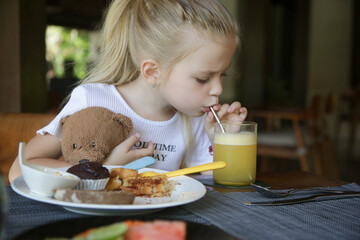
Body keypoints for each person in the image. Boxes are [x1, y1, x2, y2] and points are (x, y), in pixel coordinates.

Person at [9, 0, 247, 182]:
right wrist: (105, 170)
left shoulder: (193, 116)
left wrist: (221, 140)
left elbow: (208, 184)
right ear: (153, 72)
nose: (218, 89)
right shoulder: (93, 100)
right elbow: (20, 169)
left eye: (222, 74)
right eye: (203, 78)